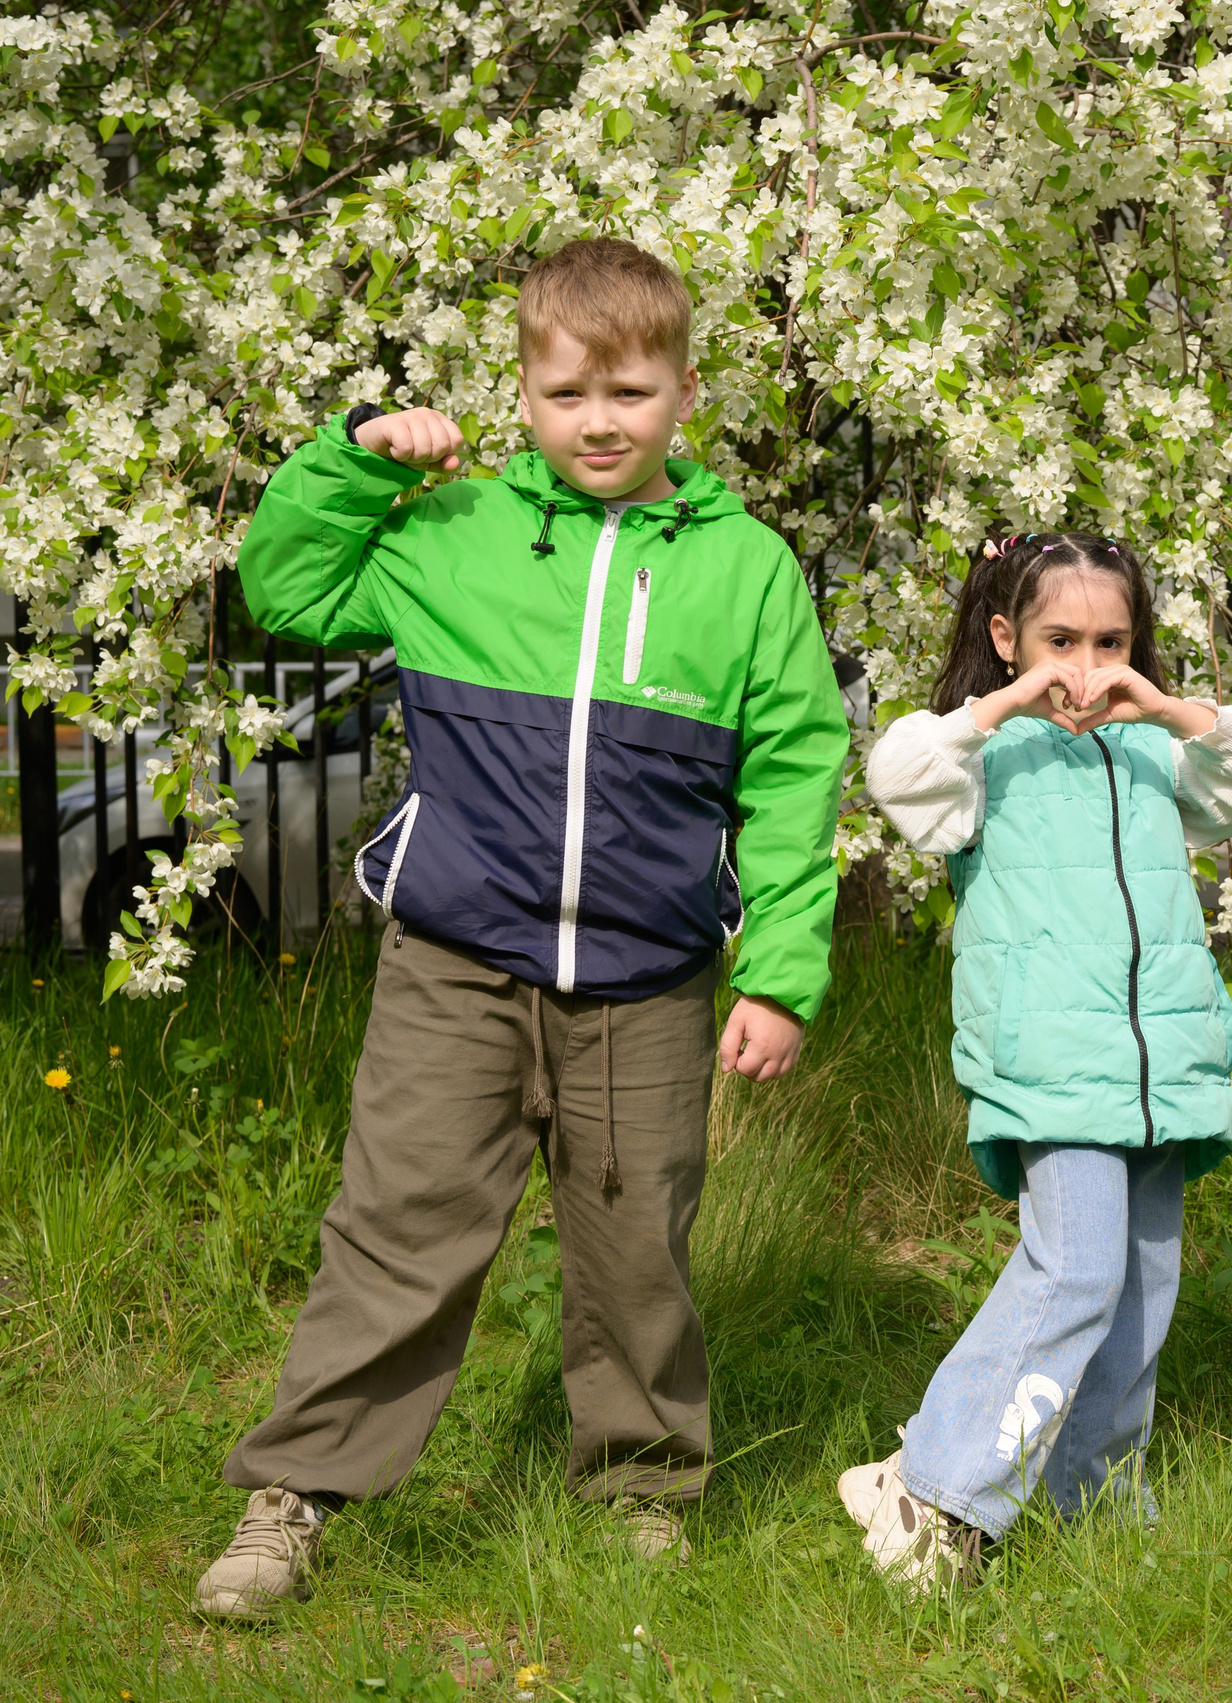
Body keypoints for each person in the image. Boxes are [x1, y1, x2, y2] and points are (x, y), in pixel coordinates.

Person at [194, 238, 850, 1617]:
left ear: (684, 390)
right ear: (524, 393)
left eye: (629, 391)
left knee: (638, 1248)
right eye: (565, 394)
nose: (598, 421)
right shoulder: (451, 529)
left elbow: (793, 778)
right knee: (398, 1224)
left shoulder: (748, 572)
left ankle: (639, 1489)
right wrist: (361, 456)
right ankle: (298, 1492)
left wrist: (780, 973)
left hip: (649, 979)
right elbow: (286, 587)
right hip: (454, 963)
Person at [840, 533, 1232, 1589]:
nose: (1084, 666)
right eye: (1057, 640)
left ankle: (1096, 1503)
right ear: (1005, 637)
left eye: (1110, 640)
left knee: (1137, 1294)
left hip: (1161, 1063)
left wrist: (1163, 705)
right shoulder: (979, 759)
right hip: (1051, 1060)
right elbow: (896, 770)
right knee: (1076, 1266)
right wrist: (1006, 703)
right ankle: (936, 1488)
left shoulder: (1149, 747)